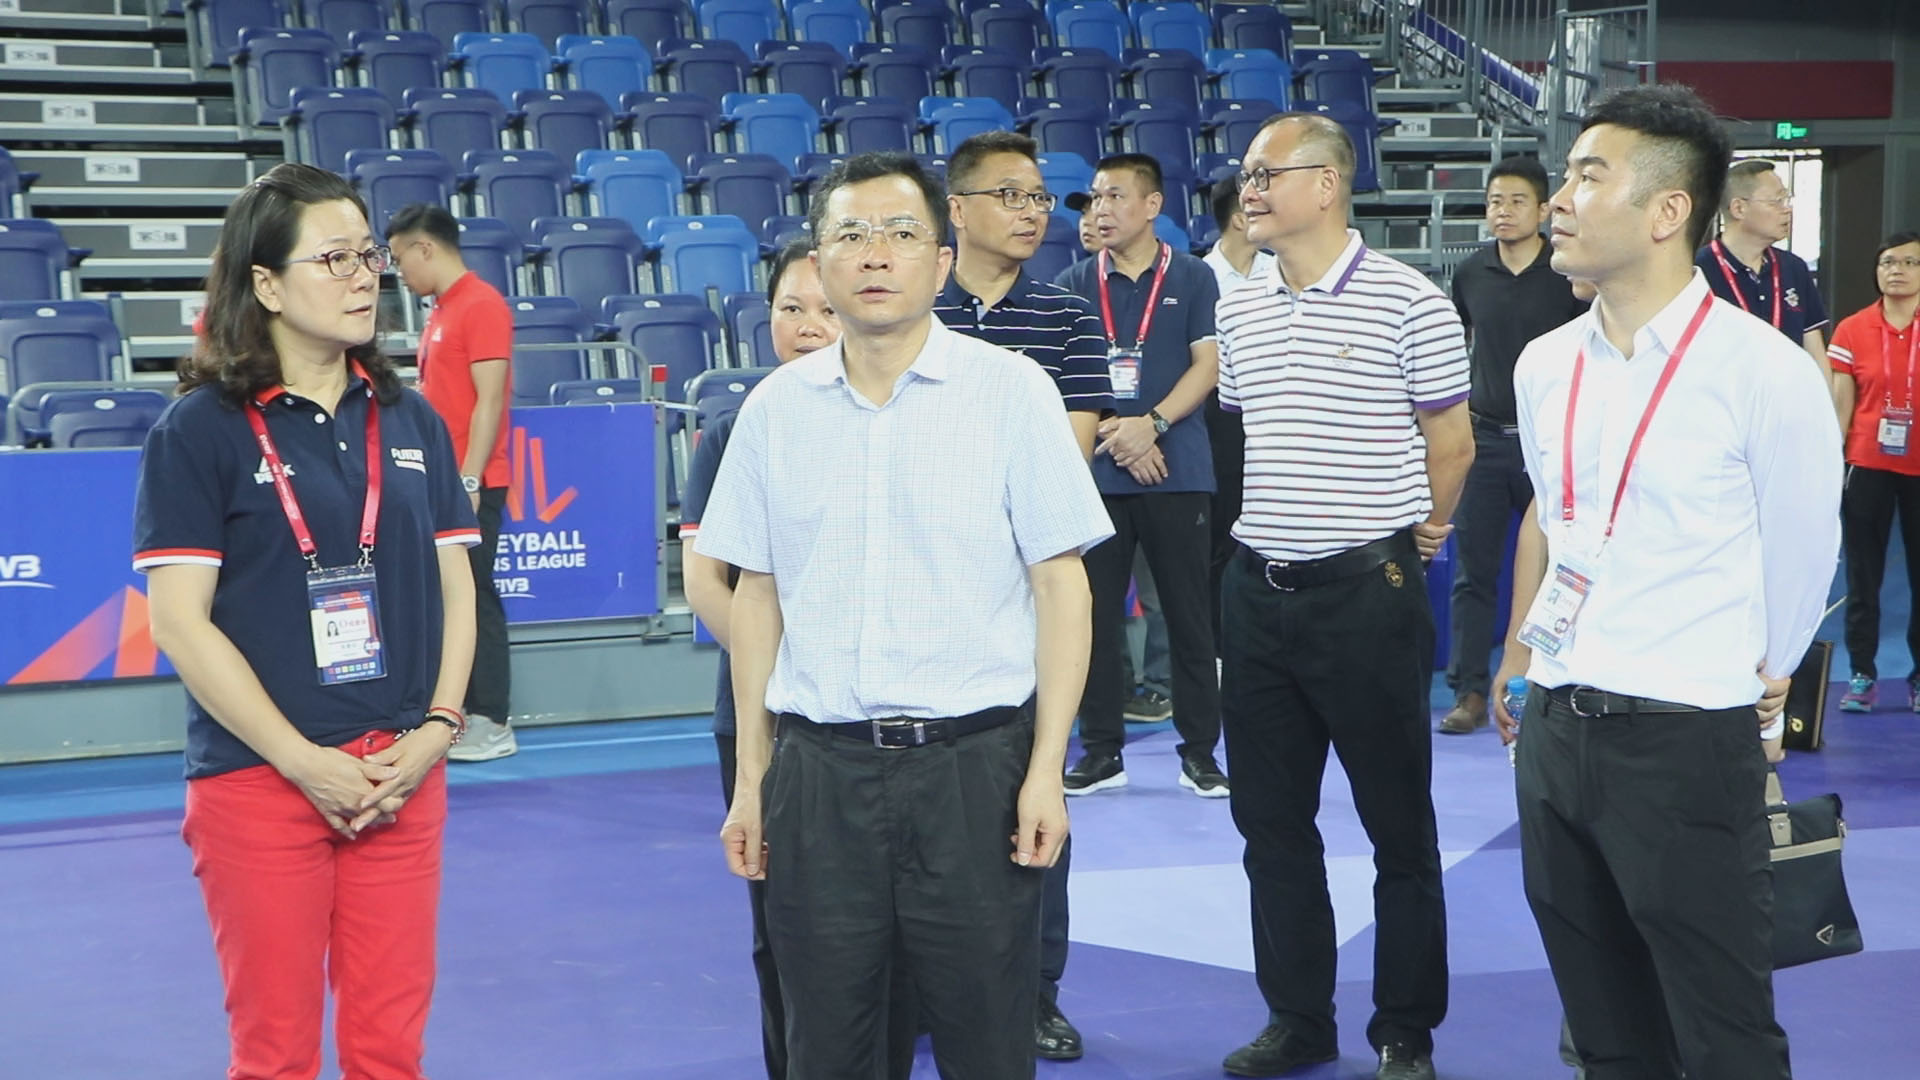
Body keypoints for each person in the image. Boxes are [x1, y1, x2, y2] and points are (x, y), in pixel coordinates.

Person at [695, 152, 1113, 1079]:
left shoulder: (1012, 391)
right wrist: (753, 780)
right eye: (851, 234)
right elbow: (756, 596)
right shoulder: (774, 410)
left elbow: (1063, 587)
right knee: (828, 1045)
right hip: (819, 778)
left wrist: (1048, 770)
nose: (875, 253)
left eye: (900, 233)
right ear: (820, 261)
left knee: (986, 1042)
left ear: (940, 257)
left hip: (974, 773)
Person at [1491, 84, 1841, 1080]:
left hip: (1686, 738)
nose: (1561, 199)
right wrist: (1527, 658)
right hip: (1557, 727)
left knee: (1721, 1033)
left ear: (1666, 210)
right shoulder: (1545, 364)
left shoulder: (1762, 369)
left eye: (1588, 177)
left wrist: (1764, 675)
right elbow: (1557, 522)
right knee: (1604, 1032)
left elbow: (1804, 548)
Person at [134, 162, 480, 1080]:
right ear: (266, 284)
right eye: (334, 259)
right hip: (260, 784)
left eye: (369, 256)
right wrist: (301, 761)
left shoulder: (411, 419)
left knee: (389, 1051)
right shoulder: (198, 430)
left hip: (401, 777)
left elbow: (456, 588)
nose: (365, 277)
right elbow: (181, 624)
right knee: (275, 1055)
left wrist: (438, 729)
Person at [1213, 112, 1472, 1080]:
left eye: (1266, 173)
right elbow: (1252, 431)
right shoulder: (1238, 307)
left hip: (1368, 596)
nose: (1248, 190)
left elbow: (1452, 443)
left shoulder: (1411, 301)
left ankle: (1405, 1029)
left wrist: (1421, 535)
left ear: (1326, 184)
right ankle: (1297, 1020)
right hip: (1256, 592)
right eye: (1246, 174)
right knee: (1270, 826)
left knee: (1398, 827)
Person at [934, 130, 1118, 1063]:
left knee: (1033, 796)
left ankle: (1035, 993)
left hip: (1026, 591)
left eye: (1040, 198)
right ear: (956, 209)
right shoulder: (911, 307)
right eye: (1010, 195)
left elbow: (1067, 460)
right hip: (923, 591)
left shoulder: (1067, 315)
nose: (1033, 212)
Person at [681, 239, 841, 1080]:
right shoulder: (730, 431)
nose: (808, 326)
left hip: (864, 715)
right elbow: (705, 579)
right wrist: (778, 666)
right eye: (790, 309)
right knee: (779, 912)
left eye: (825, 309)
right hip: (758, 708)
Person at [1057, 153, 1229, 798]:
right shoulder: (1074, 282)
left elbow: (1207, 366)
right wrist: (1119, 432)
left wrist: (1150, 424)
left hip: (1177, 471)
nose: (1100, 210)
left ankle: (1201, 753)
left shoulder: (1193, 276)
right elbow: (1065, 378)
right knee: (1094, 618)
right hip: (1099, 476)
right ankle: (1102, 751)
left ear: (1153, 205)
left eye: (1114, 196)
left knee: (1188, 617)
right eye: (1095, 198)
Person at [1439, 156, 1590, 735]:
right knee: (1472, 573)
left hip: (1550, 442)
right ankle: (1470, 691)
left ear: (1545, 209)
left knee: (1562, 565)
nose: (1503, 211)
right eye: (1494, 201)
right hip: (1484, 438)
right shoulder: (1471, 272)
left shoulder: (1567, 272)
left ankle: (1555, 682)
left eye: (1517, 201)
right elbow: (1460, 343)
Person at [386, 202, 518, 761]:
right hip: (443, 481)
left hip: (472, 482)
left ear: (425, 248)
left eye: (400, 259)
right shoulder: (441, 311)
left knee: (476, 596)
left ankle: (492, 720)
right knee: (445, 599)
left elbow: (490, 400)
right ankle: (454, 713)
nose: (398, 272)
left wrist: (469, 476)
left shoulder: (481, 304)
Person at [1828, 231, 1920, 712]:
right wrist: (1832, 462)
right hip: (1867, 463)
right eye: (1887, 263)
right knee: (1863, 575)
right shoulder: (1852, 329)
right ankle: (1862, 673)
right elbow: (1841, 404)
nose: (1896, 270)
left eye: (1908, 262)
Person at [1695, 159, 1830, 375]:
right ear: (1739, 208)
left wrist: (1825, 395)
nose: (1787, 210)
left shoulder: (1794, 268)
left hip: (1787, 392)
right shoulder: (1696, 271)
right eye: (1776, 201)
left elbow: (1815, 352)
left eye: (1786, 199)